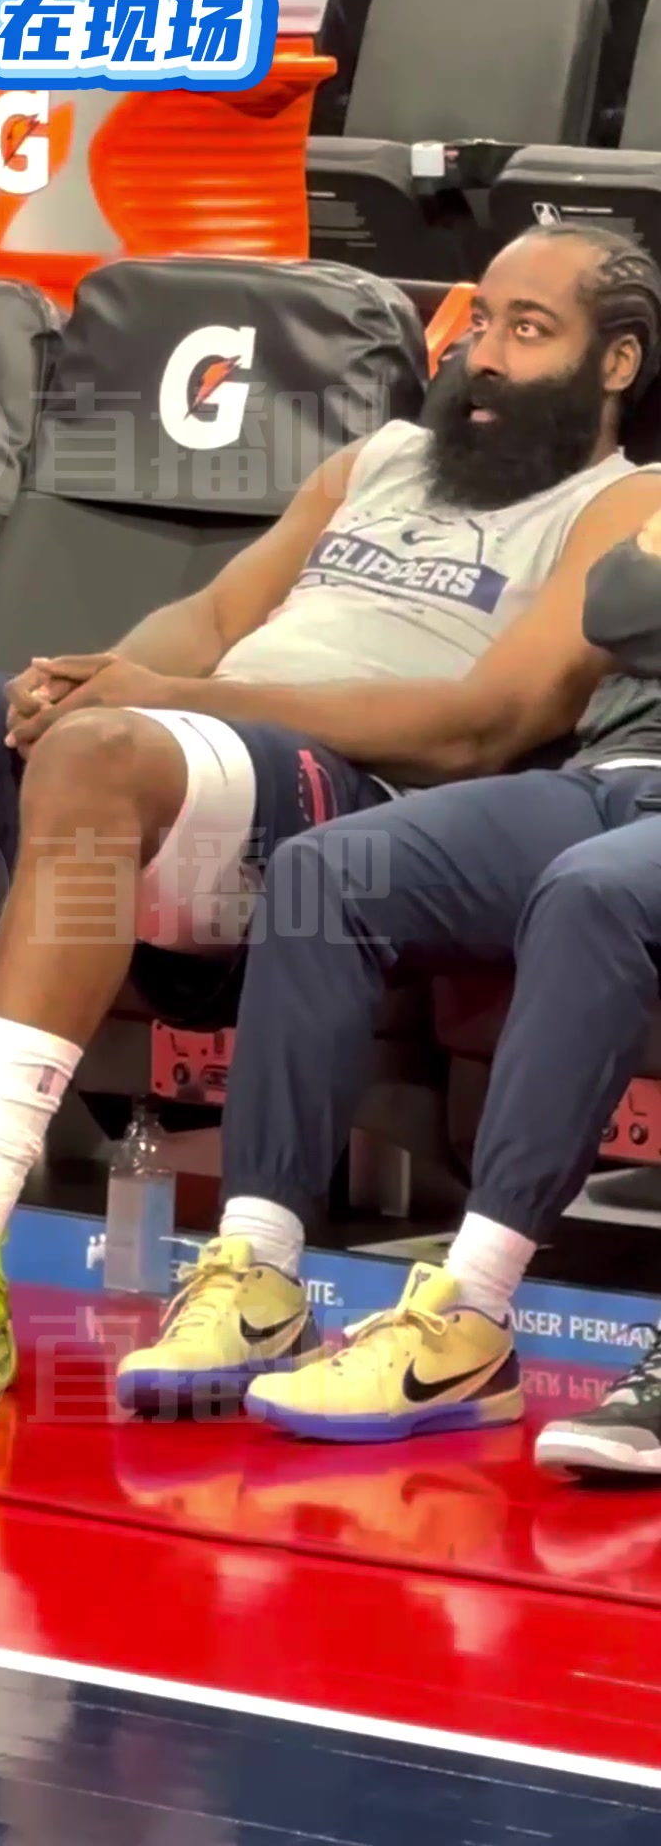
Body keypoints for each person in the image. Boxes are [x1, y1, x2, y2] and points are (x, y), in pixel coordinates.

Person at [0, 223, 661, 1424]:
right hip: (177, 748)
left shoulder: (625, 504)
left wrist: (161, 704)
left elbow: (484, 724)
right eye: (483, 323)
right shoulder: (378, 460)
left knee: (100, 757)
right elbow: (207, 622)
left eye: (532, 330)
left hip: (349, 795)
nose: (489, 355)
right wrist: (96, 675)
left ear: (616, 364)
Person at [119, 512, 661, 1475]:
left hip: (621, 854)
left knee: (595, 895)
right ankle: (258, 1275)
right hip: (611, 779)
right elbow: (621, 608)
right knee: (328, 871)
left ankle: (470, 1313)